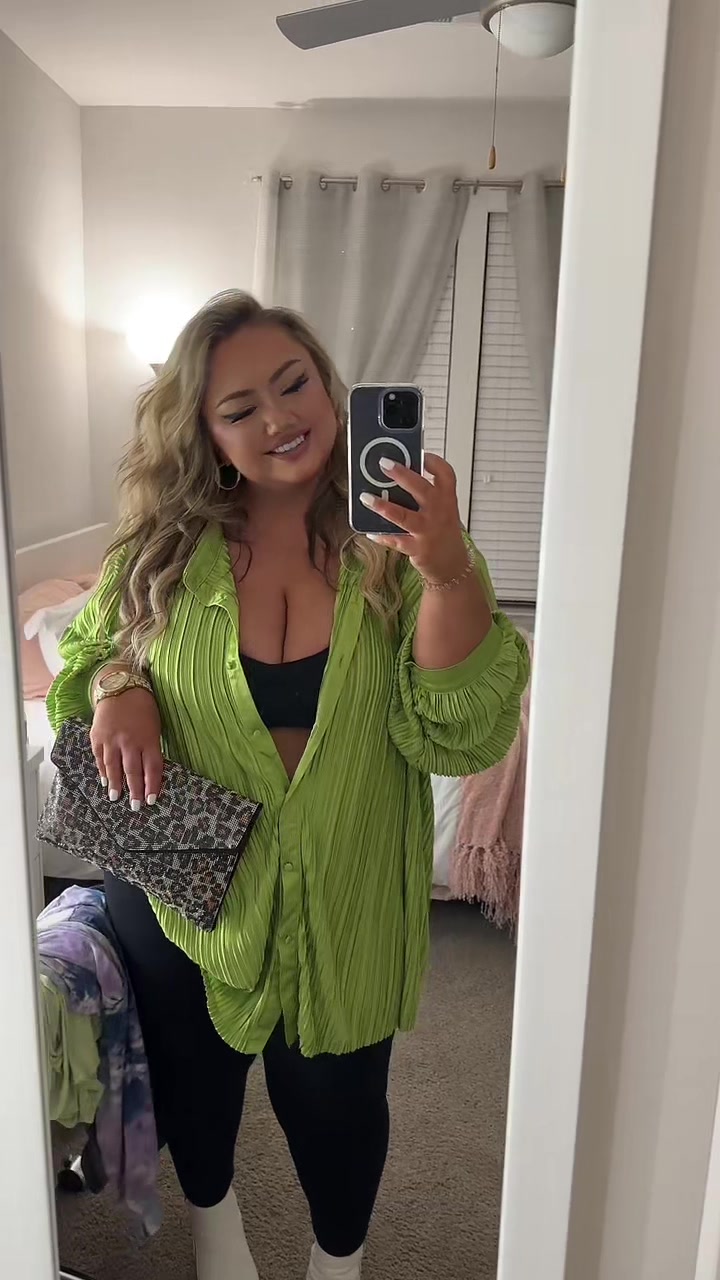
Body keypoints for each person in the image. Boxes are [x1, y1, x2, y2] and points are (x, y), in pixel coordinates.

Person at [47, 289, 529, 1280]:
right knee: (196, 1081)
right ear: (210, 436)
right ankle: (216, 1230)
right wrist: (117, 686)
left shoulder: (401, 544)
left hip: (347, 883)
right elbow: (87, 651)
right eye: (240, 408)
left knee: (340, 1103)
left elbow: (459, 728)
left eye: (293, 383)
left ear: (328, 385)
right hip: (181, 881)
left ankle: (335, 1261)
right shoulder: (160, 550)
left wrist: (445, 570)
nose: (278, 417)